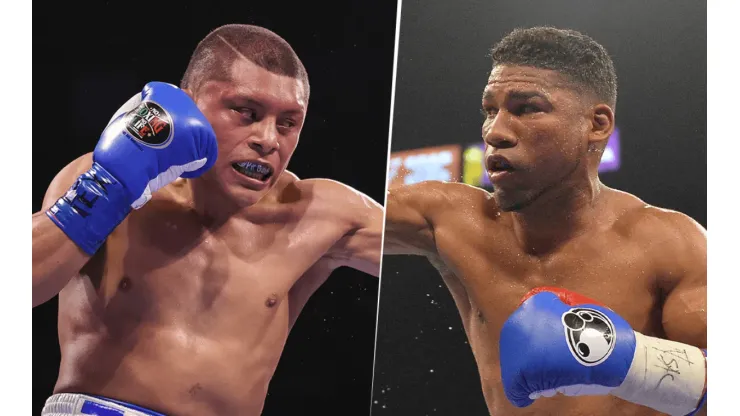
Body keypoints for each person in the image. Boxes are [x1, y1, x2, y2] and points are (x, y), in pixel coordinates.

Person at [33, 24, 383, 416]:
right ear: (190, 104)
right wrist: (106, 187)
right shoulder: (105, 181)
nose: (268, 138)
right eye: (246, 112)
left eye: (287, 123)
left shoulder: (316, 214)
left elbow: (436, 246)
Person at [384, 26, 706, 416]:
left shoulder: (669, 243)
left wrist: (631, 362)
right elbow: (325, 211)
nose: (495, 132)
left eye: (527, 108)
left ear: (597, 124)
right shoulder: (450, 220)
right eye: (490, 110)